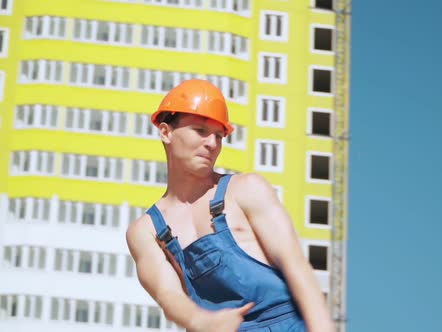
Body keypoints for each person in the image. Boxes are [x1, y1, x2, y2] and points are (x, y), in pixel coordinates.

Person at [126, 79, 335, 332]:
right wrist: (204, 322)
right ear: (165, 132)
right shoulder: (146, 231)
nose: (212, 144)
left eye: (218, 135)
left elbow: (297, 268)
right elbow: (168, 296)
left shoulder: (245, 190)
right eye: (200, 131)